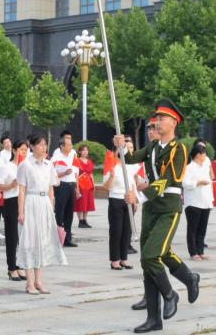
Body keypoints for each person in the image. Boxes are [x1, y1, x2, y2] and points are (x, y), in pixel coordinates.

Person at [115, 99, 200, 334]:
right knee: (150, 260)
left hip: (168, 208)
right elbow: (130, 159)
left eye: (162, 118)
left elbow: (167, 179)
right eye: (157, 118)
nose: (157, 122)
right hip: (152, 209)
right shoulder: (153, 147)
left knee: (152, 255)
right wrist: (122, 147)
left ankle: (170, 294)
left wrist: (139, 197)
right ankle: (154, 318)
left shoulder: (178, 149)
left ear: (174, 123)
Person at [16, 134, 67, 295]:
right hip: (31, 202)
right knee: (30, 242)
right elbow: (21, 190)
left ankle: (38, 281)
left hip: (44, 203)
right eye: (40, 144)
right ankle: (29, 283)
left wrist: (51, 208)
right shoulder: (25, 165)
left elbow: (51, 188)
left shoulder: (48, 164)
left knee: (42, 242)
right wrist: (21, 212)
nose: (44, 147)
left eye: (45, 144)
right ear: (31, 146)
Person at [100, 135, 139, 270]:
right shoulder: (111, 165)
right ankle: (115, 260)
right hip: (115, 199)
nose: (122, 152)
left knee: (127, 231)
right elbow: (106, 187)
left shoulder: (130, 166)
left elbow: (133, 184)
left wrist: (135, 200)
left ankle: (124, 259)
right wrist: (111, 177)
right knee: (116, 231)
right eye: (119, 150)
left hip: (128, 200)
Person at [0, 139, 26, 281]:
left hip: (25, 202)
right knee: (12, 236)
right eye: (21, 150)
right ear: (14, 150)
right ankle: (11, 267)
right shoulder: (7, 167)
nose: (24, 153)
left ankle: (20, 265)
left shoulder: (27, 167)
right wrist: (11, 186)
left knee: (23, 236)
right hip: (11, 202)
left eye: (26, 150)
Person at [182, 143, 213, 261]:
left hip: (205, 202)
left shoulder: (205, 167)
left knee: (202, 228)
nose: (205, 156)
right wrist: (198, 182)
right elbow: (185, 183)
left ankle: (200, 250)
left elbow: (209, 184)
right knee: (193, 228)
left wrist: (211, 200)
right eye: (203, 153)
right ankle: (193, 252)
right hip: (193, 202)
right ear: (198, 155)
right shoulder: (189, 168)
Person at [51, 131, 78, 247]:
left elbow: (76, 172)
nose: (71, 147)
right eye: (69, 145)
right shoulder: (56, 157)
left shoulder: (73, 155)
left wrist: (77, 188)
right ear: (62, 146)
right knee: (60, 212)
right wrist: (63, 173)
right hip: (61, 186)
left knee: (69, 213)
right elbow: (51, 175)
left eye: (71, 144)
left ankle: (67, 238)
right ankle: (58, 237)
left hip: (71, 185)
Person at [74, 144, 96, 229]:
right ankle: (80, 221)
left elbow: (91, 174)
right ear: (79, 151)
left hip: (88, 185)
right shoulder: (77, 161)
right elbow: (75, 174)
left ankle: (85, 220)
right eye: (83, 150)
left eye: (86, 150)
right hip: (80, 184)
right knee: (80, 202)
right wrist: (76, 187)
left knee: (87, 202)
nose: (85, 152)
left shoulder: (89, 162)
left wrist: (93, 184)